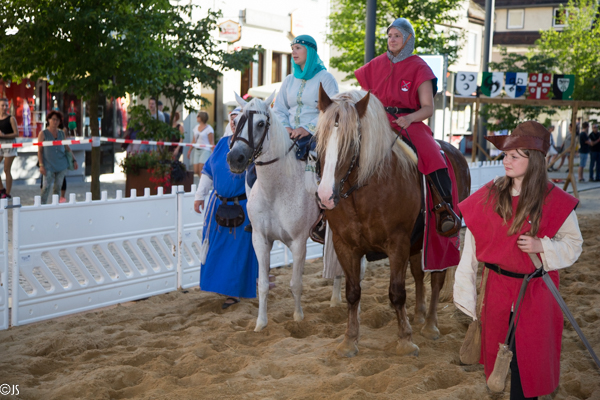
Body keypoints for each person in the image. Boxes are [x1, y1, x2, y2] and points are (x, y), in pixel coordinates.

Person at [453, 121, 583, 400]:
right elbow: (472, 241)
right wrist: (466, 285)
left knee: (529, 366)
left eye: (514, 156)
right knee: (499, 363)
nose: (506, 160)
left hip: (536, 292)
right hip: (497, 289)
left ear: (533, 160)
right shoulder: (490, 193)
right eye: (505, 154)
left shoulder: (554, 199)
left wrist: (542, 246)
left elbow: (574, 244)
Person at [354, 18, 458, 235]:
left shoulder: (420, 67)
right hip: (378, 121)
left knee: (432, 154)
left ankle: (443, 207)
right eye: (390, 35)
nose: (392, 40)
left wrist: (410, 119)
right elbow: (364, 95)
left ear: (408, 39)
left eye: (397, 36)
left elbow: (428, 108)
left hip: (409, 121)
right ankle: (329, 209)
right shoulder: (375, 64)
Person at [193, 112, 258, 309]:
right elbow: (208, 171)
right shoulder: (222, 144)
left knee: (237, 252)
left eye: (238, 118)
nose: (233, 121)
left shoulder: (252, 147)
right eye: (232, 118)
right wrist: (199, 196)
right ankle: (219, 286)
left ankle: (233, 293)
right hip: (217, 205)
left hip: (242, 207)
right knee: (217, 248)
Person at [273, 34, 339, 161]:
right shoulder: (289, 80)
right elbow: (279, 108)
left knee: (315, 165)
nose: (293, 52)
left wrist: (306, 129)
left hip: (316, 137)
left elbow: (332, 110)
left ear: (310, 51)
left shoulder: (326, 78)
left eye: (298, 48)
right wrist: (285, 127)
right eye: (292, 48)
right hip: (286, 136)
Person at [37, 111, 79, 204]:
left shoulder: (61, 133)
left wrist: (74, 160)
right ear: (49, 120)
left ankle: (55, 207)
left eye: (57, 120)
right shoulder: (43, 134)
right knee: (45, 188)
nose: (55, 122)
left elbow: (67, 147)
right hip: (48, 165)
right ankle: (41, 207)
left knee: (58, 188)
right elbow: (40, 151)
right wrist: (41, 165)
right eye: (53, 119)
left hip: (61, 165)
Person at [0, 98, 19, 199]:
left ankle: (7, 193)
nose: (4, 107)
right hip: (0, 144)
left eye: (6, 105)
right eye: (2, 105)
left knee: (6, 169)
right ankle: (1, 189)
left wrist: (4, 135)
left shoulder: (11, 118)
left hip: (10, 144)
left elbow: (16, 133)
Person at [187, 111, 214, 179]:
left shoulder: (209, 129)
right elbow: (194, 141)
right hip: (197, 150)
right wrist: (189, 151)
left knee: (201, 170)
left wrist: (213, 153)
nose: (197, 117)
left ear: (201, 118)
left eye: (198, 116)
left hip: (205, 150)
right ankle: (202, 182)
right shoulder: (196, 127)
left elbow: (211, 142)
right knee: (195, 170)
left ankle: (201, 186)